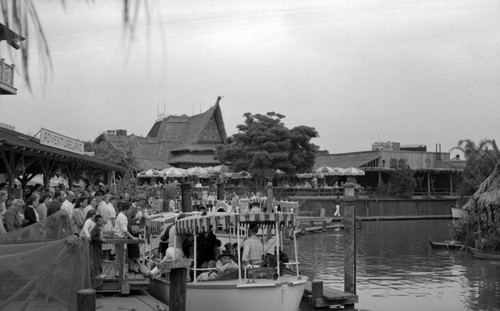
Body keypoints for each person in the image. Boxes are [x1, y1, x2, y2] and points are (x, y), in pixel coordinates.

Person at [113, 201, 139, 277]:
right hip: (119, 237)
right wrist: (132, 237)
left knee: (123, 255)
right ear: (126, 209)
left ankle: (120, 271)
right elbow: (124, 229)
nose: (131, 211)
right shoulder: (122, 217)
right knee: (119, 255)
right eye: (130, 209)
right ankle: (117, 272)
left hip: (122, 237)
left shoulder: (123, 216)